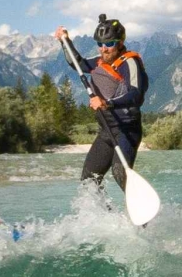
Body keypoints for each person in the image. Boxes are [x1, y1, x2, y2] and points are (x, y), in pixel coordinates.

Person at [54, 14, 149, 192]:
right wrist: (65, 41)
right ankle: (105, 218)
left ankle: (145, 220)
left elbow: (136, 94)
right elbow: (78, 64)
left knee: (120, 172)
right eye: (100, 44)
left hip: (126, 130)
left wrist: (107, 103)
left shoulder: (130, 62)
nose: (104, 49)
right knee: (88, 181)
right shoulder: (99, 62)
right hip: (107, 130)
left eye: (109, 44)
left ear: (120, 43)